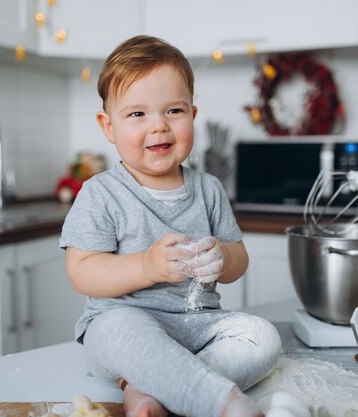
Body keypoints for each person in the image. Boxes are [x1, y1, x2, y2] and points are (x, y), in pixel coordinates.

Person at [60, 35, 282, 417]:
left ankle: (150, 391)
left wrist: (223, 259)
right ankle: (221, 403)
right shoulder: (100, 193)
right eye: (137, 114)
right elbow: (81, 271)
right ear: (108, 127)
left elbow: (239, 260)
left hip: (199, 326)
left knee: (262, 336)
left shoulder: (208, 188)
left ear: (192, 116)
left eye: (174, 111)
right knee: (119, 328)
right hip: (125, 326)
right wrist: (145, 266)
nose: (159, 127)